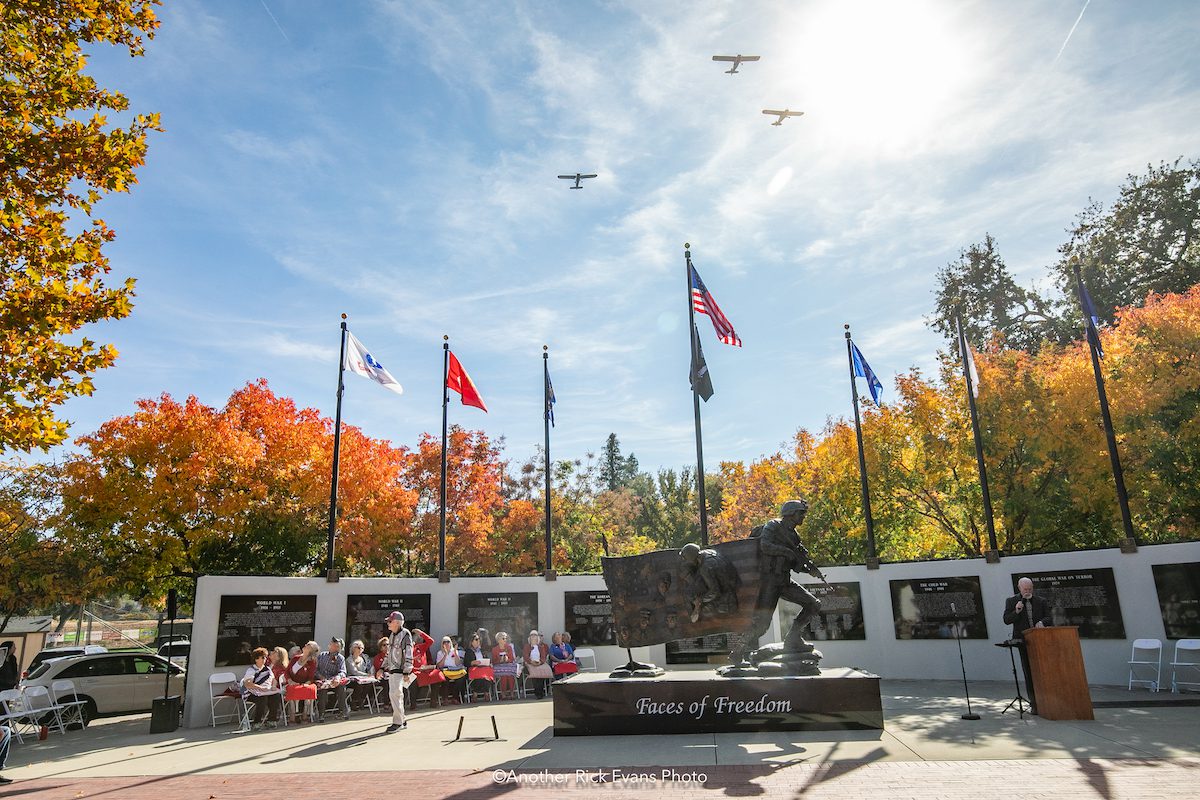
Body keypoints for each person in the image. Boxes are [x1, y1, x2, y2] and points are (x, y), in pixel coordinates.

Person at [731, 499, 825, 665]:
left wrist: (809, 570)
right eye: (800, 513)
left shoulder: (795, 536)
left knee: (814, 604)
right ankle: (737, 652)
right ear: (791, 513)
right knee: (762, 625)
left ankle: (793, 638)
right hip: (769, 582)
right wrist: (786, 551)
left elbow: (795, 564)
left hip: (785, 581)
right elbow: (765, 546)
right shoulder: (773, 526)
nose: (803, 517)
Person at [1003, 577, 1053, 715]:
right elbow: (1007, 620)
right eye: (1025, 589)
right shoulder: (1012, 601)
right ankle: (1034, 703)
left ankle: (1048, 701)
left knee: (1044, 671)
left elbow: (1049, 618)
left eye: (1030, 589)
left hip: (1040, 640)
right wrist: (1017, 611)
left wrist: (1043, 622)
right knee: (1029, 672)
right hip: (1023, 641)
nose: (1028, 591)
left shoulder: (1041, 601)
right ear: (1019, 588)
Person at [678, 543, 740, 622]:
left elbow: (715, 592)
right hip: (732, 587)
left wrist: (700, 600)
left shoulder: (705, 568)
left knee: (706, 612)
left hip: (727, 601)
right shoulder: (710, 552)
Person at [382, 612, 413, 733]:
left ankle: (398, 722)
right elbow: (389, 653)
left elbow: (409, 652)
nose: (388, 624)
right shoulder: (392, 635)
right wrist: (382, 667)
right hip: (393, 670)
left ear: (397, 622)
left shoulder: (405, 634)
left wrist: (407, 671)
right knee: (394, 695)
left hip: (400, 670)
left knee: (396, 694)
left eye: (390, 621)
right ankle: (402, 720)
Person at [239, 647, 281, 731]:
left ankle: (271, 721)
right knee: (262, 699)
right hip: (251, 694)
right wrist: (260, 688)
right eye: (261, 657)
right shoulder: (251, 670)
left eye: (264, 657)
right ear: (255, 659)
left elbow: (274, 680)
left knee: (276, 696)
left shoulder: (268, 669)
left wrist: (273, 686)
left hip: (265, 692)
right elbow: (248, 684)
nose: (263, 659)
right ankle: (256, 723)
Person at [315, 637, 350, 721]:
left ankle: (342, 712)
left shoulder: (340, 658)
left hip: (333, 680)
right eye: (332, 645)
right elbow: (315, 670)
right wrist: (320, 676)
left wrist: (337, 677)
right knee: (323, 689)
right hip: (322, 680)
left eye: (337, 646)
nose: (334, 647)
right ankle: (321, 714)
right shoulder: (321, 656)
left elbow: (343, 672)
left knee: (341, 688)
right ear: (329, 646)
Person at [288, 641, 319, 723]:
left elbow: (311, 677)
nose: (305, 645)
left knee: (307, 689)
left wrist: (306, 683)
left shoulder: (312, 662)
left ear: (311, 650)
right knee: (292, 689)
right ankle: (292, 717)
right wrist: (290, 681)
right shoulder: (295, 658)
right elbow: (286, 672)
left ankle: (305, 715)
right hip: (292, 682)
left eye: (308, 645)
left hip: (305, 683)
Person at [435, 636, 467, 704]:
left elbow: (458, 663)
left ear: (450, 643)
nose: (446, 644)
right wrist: (445, 655)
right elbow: (439, 665)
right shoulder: (440, 653)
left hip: (455, 670)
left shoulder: (454, 651)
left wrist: (455, 652)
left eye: (448, 642)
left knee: (461, 678)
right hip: (445, 670)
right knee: (444, 679)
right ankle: (445, 699)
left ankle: (455, 698)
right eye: (444, 642)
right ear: (442, 644)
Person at [345, 639, 374, 711]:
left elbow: (363, 670)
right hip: (351, 680)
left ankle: (361, 699)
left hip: (362, 678)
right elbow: (354, 672)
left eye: (362, 648)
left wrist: (369, 675)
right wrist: (367, 675)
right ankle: (354, 701)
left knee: (369, 684)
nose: (360, 649)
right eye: (358, 647)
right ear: (353, 648)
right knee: (359, 684)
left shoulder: (362, 659)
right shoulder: (349, 660)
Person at [523, 629, 552, 698]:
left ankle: (541, 692)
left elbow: (543, 657)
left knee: (541, 672)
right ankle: (537, 692)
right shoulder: (527, 646)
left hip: (539, 663)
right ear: (529, 638)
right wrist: (531, 662)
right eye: (532, 635)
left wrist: (540, 662)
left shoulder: (540, 647)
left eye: (535, 635)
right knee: (534, 673)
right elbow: (526, 656)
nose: (533, 637)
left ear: (537, 637)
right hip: (530, 664)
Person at [464, 633, 494, 700]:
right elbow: (466, 663)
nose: (478, 641)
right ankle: (475, 693)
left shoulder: (482, 650)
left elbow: (486, 658)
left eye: (479, 640)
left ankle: (486, 693)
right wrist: (473, 662)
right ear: (471, 642)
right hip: (473, 669)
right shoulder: (469, 651)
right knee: (479, 674)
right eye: (476, 640)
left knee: (488, 673)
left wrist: (489, 663)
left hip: (482, 668)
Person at [491, 631, 520, 699]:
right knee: (504, 674)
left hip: (508, 665)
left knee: (510, 673)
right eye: (503, 638)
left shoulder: (509, 647)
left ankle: (512, 692)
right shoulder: (494, 649)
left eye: (506, 638)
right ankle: (503, 693)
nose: (505, 640)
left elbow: (512, 659)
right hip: (499, 666)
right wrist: (500, 661)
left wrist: (507, 660)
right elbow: (494, 661)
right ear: (498, 640)